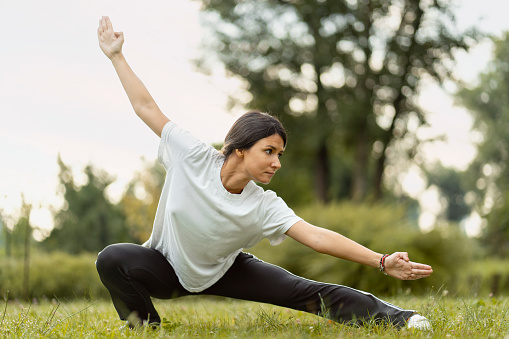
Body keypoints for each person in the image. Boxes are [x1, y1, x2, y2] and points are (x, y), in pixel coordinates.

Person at [95, 16, 433, 331]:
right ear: (240, 148)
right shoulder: (192, 156)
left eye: (280, 154)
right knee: (112, 258)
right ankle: (146, 332)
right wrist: (116, 57)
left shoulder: (263, 204)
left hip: (227, 270)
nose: (276, 162)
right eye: (269, 151)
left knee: (307, 291)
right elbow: (146, 107)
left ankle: (402, 320)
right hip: (166, 268)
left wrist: (382, 260)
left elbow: (316, 238)